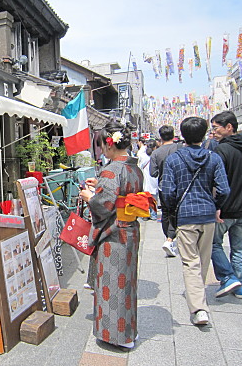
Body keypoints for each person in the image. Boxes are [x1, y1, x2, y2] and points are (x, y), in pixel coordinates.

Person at [79, 121, 149, 350]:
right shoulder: (133, 167)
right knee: (127, 284)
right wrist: (99, 184)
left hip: (114, 235)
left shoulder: (112, 169)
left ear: (109, 146)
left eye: (102, 146)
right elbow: (124, 190)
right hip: (129, 230)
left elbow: (104, 204)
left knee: (113, 283)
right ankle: (129, 331)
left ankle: (119, 337)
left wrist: (90, 197)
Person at [161, 117, 230, 325]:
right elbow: (225, 189)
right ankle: (199, 299)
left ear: (182, 135)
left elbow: (168, 192)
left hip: (185, 216)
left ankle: (199, 308)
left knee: (190, 262)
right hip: (208, 214)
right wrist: (217, 205)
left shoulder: (174, 160)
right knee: (203, 259)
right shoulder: (213, 158)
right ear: (203, 135)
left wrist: (172, 211)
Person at [210, 111, 242, 299]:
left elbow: (216, 181)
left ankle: (228, 278)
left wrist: (216, 204)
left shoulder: (222, 150)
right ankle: (240, 286)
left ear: (229, 127)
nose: (213, 132)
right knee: (240, 248)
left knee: (213, 244)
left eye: (216, 128)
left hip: (226, 208)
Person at [150, 125, 182, 257]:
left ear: (160, 137)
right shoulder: (180, 148)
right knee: (176, 212)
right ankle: (171, 238)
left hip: (163, 186)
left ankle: (168, 238)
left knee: (166, 213)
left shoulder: (156, 153)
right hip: (179, 185)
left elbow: (153, 173)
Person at [140, 140, 159, 220]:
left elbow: (139, 167)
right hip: (154, 179)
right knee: (154, 197)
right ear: (155, 147)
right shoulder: (156, 155)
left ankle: (145, 214)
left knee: (145, 197)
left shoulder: (142, 156)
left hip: (145, 178)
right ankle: (153, 214)